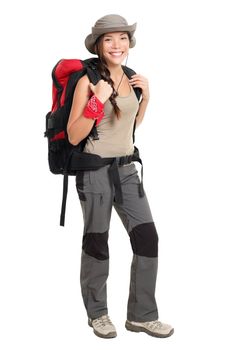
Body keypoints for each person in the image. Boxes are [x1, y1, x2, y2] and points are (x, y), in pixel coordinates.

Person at [67, 14, 174, 339]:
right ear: (98, 45)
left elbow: (127, 128)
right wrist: (96, 101)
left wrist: (146, 99)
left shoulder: (131, 77)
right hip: (95, 170)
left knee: (147, 238)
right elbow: (74, 135)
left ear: (129, 43)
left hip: (127, 170)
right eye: (110, 39)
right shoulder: (88, 81)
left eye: (123, 38)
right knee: (98, 242)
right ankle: (98, 313)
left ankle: (141, 316)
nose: (118, 45)